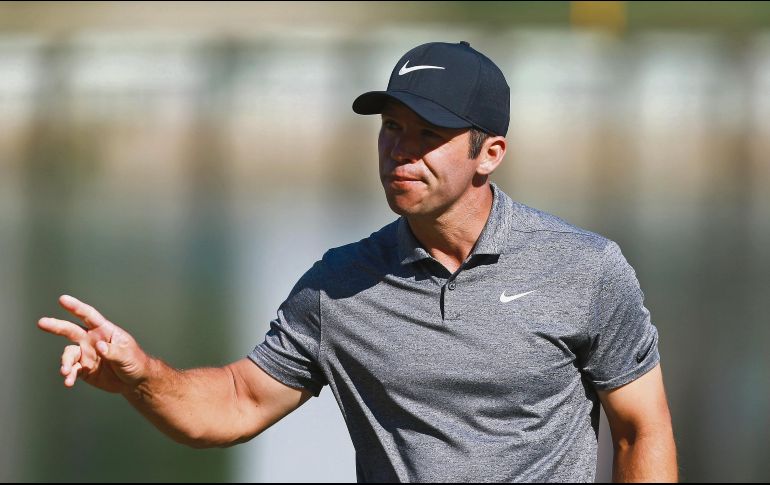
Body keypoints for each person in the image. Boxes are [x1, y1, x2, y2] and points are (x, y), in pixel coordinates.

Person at [38, 41, 677, 482]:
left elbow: (640, 429)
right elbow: (235, 402)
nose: (402, 150)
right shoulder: (339, 285)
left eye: (429, 135)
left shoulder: (584, 268)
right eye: (392, 128)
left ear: (490, 153)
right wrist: (141, 374)